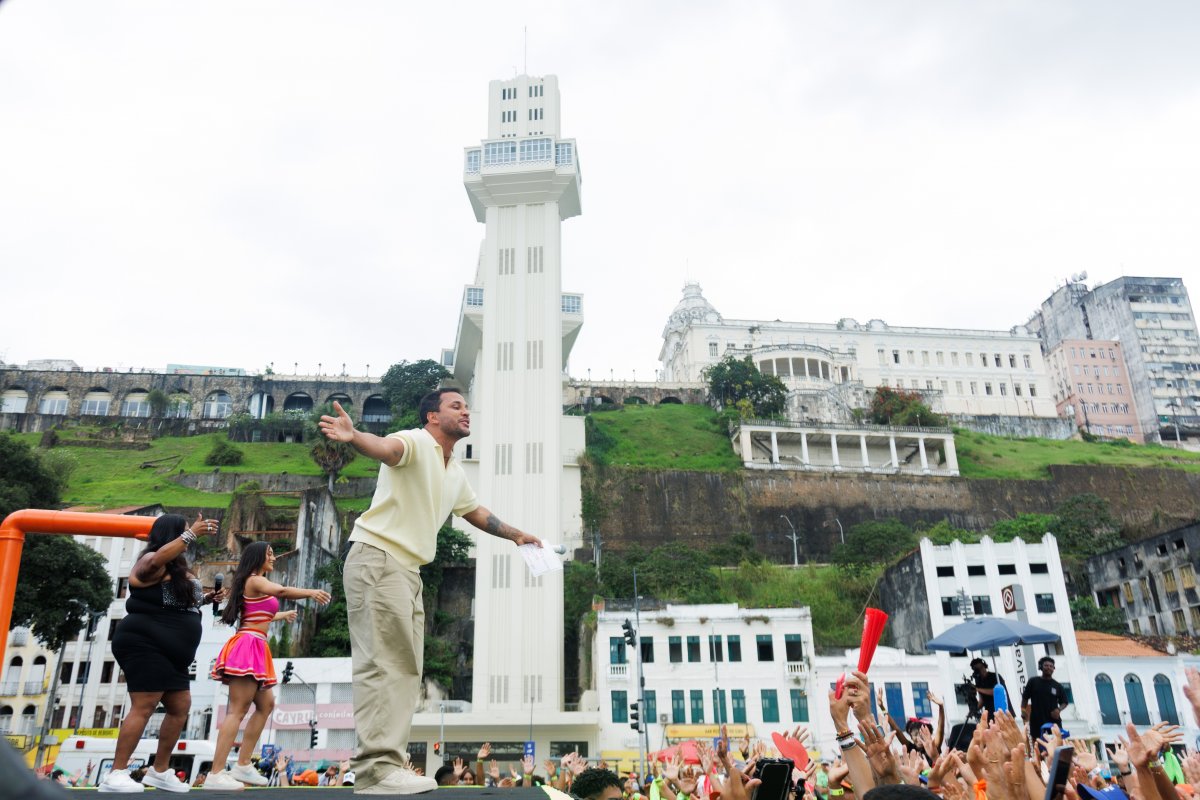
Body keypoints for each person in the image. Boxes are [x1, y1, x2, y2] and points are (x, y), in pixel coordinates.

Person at [318, 389, 543, 795]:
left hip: (406, 568)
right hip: (378, 557)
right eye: (456, 406)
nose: (466, 411)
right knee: (382, 664)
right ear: (432, 416)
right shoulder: (417, 442)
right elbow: (387, 449)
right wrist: (355, 436)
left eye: (467, 406)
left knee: (404, 668)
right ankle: (376, 771)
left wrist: (515, 536)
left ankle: (386, 766)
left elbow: (475, 512)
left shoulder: (453, 469)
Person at [99, 513, 224, 794]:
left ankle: (159, 771)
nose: (187, 537)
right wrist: (191, 534)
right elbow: (155, 564)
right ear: (171, 535)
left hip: (173, 653)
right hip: (145, 643)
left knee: (180, 707)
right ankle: (116, 772)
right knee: (144, 705)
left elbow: (175, 603)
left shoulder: (178, 568)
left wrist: (205, 600)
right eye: (182, 533)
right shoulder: (151, 560)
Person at [203, 542, 331, 791]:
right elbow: (281, 591)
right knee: (237, 710)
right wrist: (310, 592)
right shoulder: (254, 580)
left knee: (266, 704)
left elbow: (259, 614)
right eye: (269, 553)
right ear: (256, 557)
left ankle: (242, 764)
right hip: (248, 645)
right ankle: (216, 772)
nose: (273, 557)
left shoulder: (255, 583)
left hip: (257, 645)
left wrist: (282, 616)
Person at [1022, 656, 1069, 740]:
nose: (1049, 668)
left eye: (1051, 666)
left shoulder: (1057, 685)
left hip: (1053, 721)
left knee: (1055, 744)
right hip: (1036, 721)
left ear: (1054, 669)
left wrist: (1058, 710)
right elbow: (1025, 698)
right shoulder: (1033, 681)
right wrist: (1023, 711)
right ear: (1041, 667)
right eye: (1046, 665)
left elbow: (1065, 702)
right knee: (1038, 744)